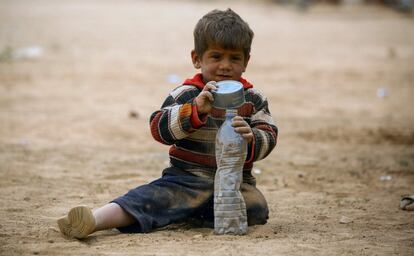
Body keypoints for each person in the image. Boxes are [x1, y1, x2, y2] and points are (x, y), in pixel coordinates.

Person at [57, 8, 278, 239]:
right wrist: (194, 111)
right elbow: (158, 129)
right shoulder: (186, 94)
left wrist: (251, 139)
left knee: (257, 207)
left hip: (235, 183)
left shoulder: (253, 98)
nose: (225, 66)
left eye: (235, 58)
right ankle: (93, 220)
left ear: (246, 62)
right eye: (216, 57)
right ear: (196, 58)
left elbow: (270, 133)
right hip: (184, 180)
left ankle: (188, 214)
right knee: (148, 199)